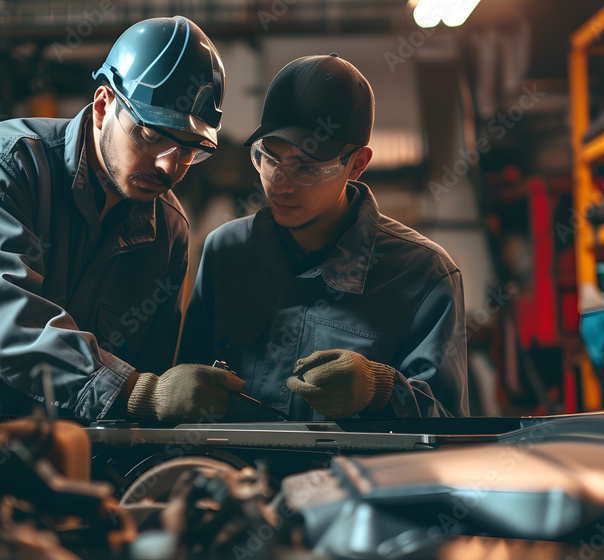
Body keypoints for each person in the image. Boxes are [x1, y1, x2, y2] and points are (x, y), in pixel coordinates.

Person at [0, 16, 246, 421]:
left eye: (189, 149)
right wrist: (133, 391)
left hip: (56, 447)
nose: (168, 165)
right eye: (151, 135)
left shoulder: (168, 229)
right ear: (102, 106)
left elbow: (151, 372)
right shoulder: (0, 169)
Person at [177, 54, 469, 420]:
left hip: (354, 477)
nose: (280, 184)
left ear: (358, 163)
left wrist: (382, 391)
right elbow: (187, 394)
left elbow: (449, 429)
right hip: (231, 474)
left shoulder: (424, 275)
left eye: (306, 166)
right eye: (269, 157)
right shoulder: (227, 252)